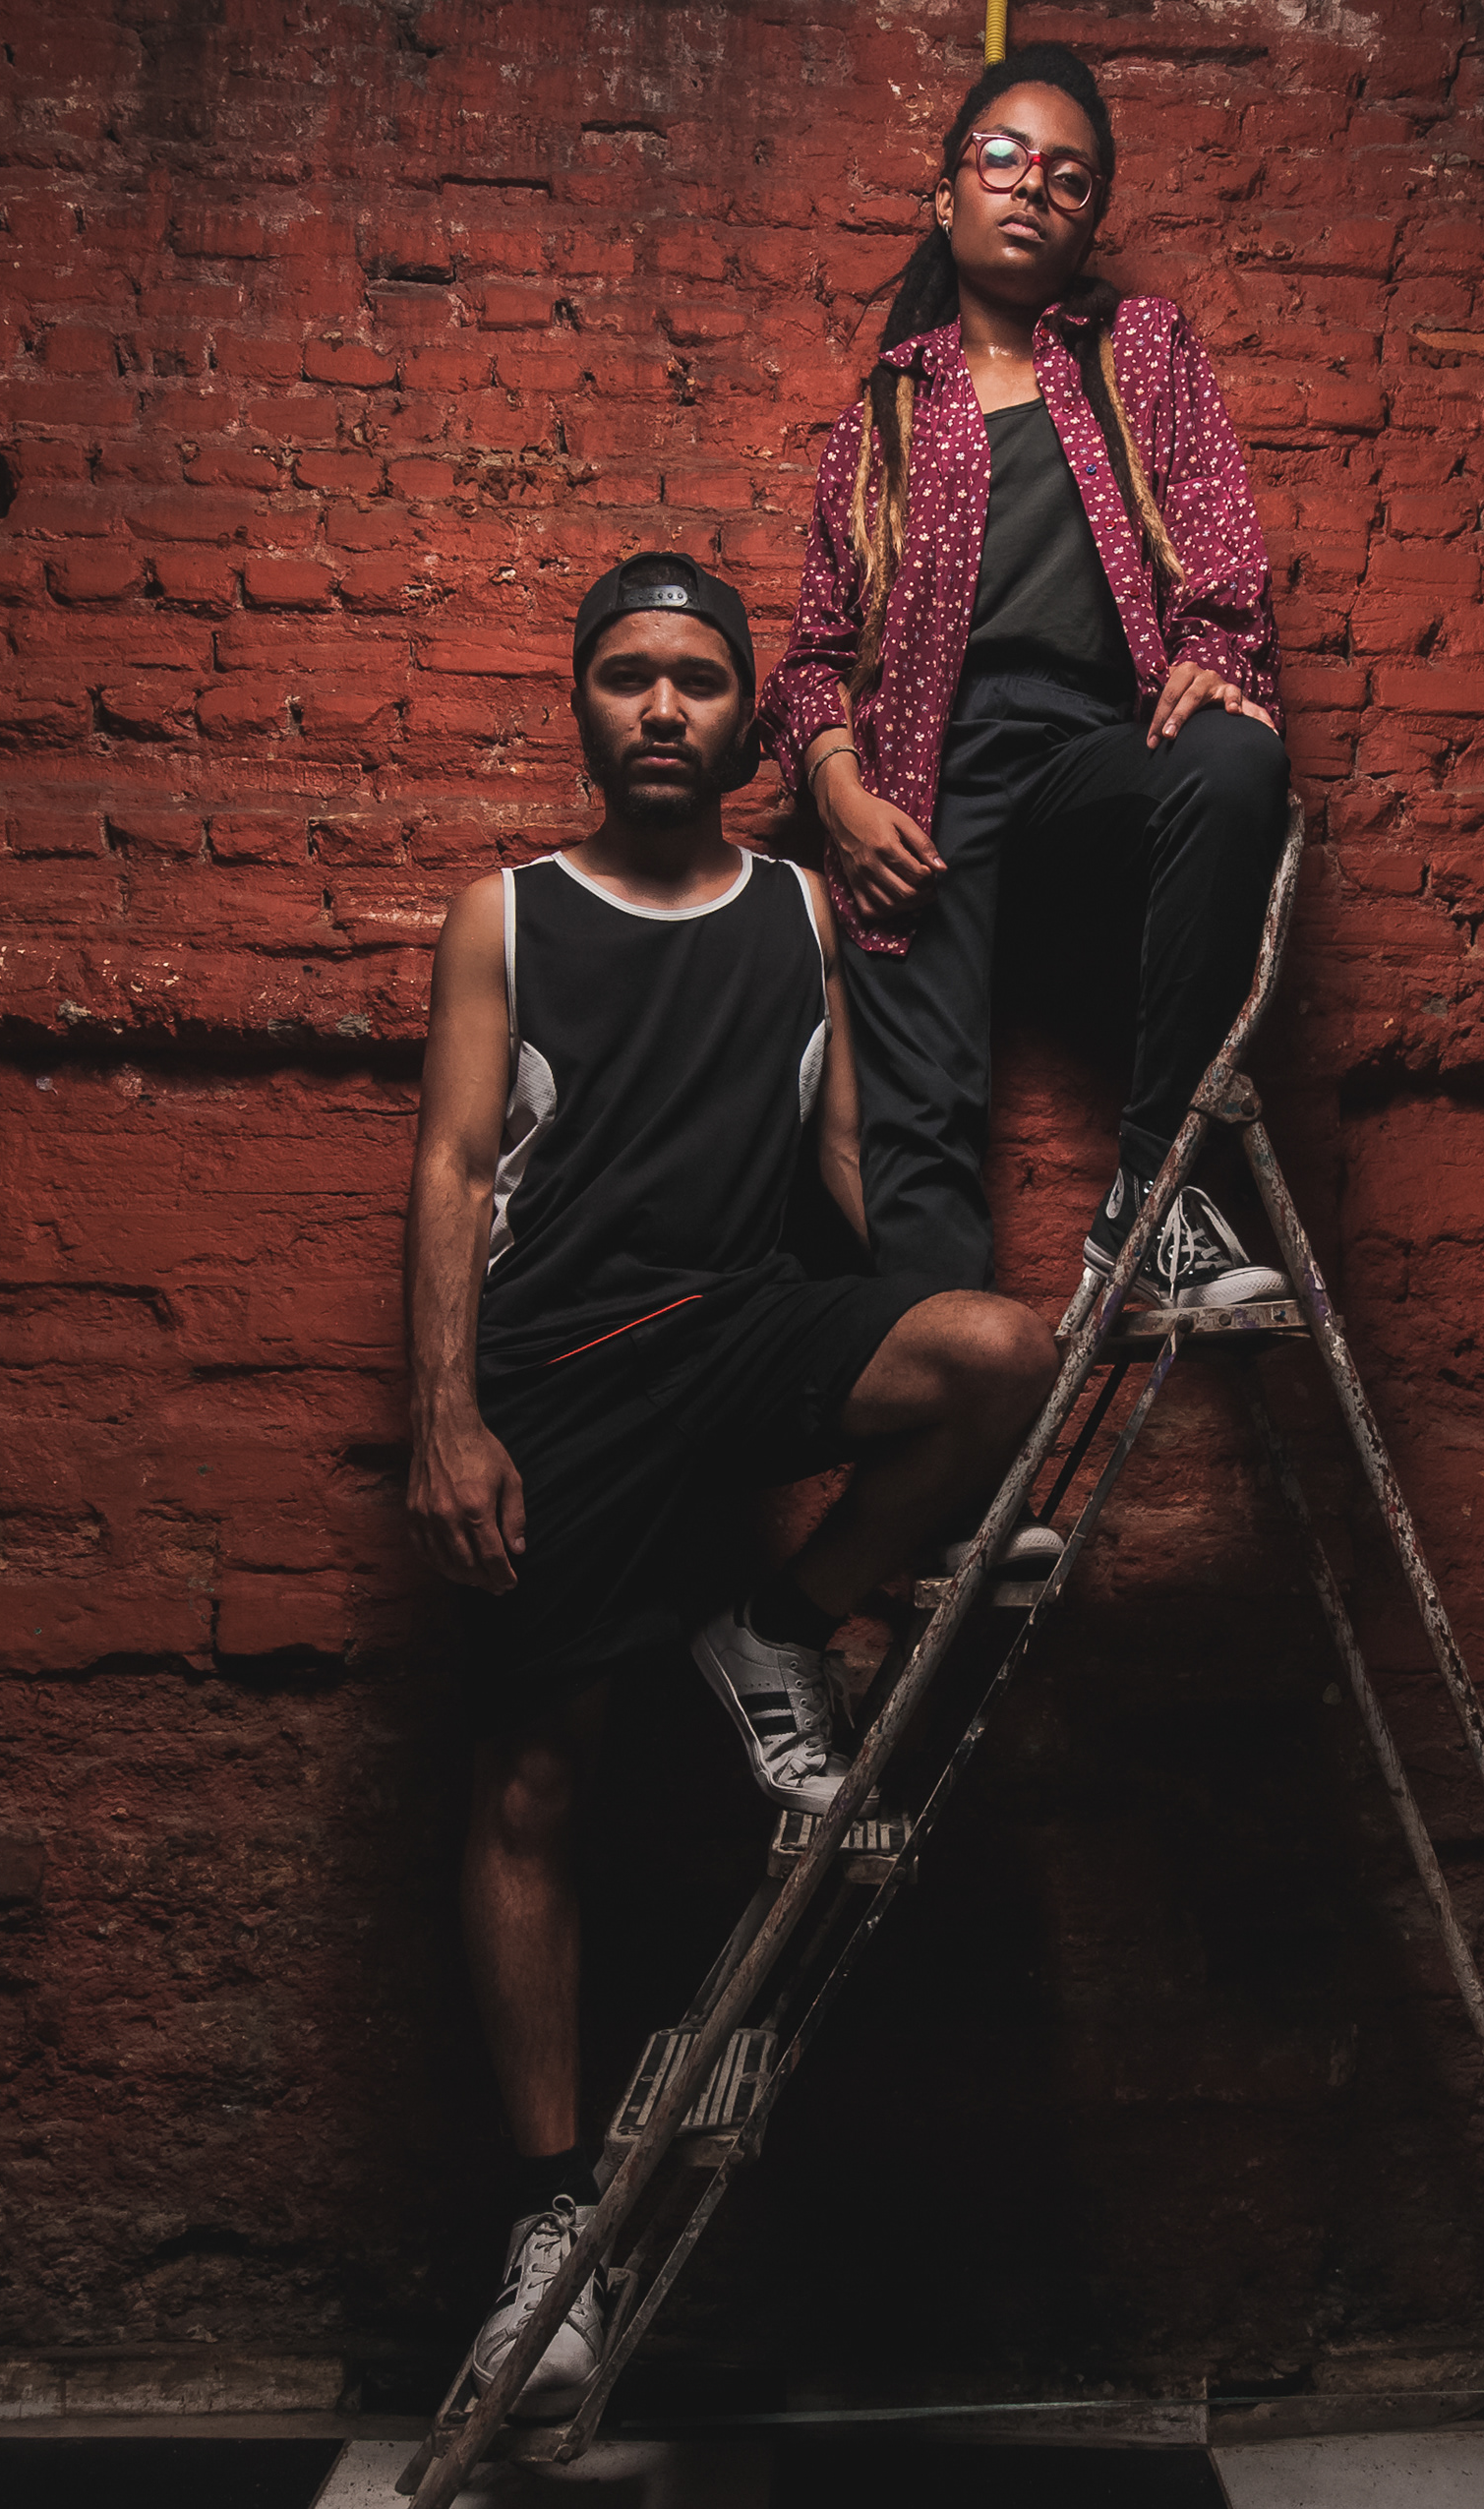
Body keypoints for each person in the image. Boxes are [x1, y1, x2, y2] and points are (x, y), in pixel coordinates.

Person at [402, 552, 1054, 2407]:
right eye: (629, 676)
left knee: (998, 1352)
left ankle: (779, 1624)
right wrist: (445, 1419)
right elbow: (454, 1170)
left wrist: (936, 1359)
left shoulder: (798, 909)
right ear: (584, 705)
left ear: (748, 711)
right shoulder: (504, 915)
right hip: (555, 1375)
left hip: (740, 1327)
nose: (665, 707)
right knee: (532, 1779)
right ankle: (551, 2225)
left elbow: (846, 1160)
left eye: (697, 677)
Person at [759, 40, 1296, 1312]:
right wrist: (839, 795)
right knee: (921, 1133)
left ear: (1091, 216)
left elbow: (1222, 552)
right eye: (1001, 157)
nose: (1031, 188)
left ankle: (1153, 1206)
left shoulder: (1143, 350)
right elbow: (814, 654)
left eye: (1068, 176)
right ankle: (962, 1422)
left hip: (1087, 759)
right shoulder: (885, 416)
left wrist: (1215, 658)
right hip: (922, 782)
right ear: (947, 190)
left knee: (1240, 760)